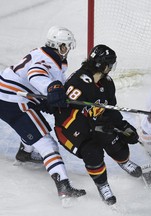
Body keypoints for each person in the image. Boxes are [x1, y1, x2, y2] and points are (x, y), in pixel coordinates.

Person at [0, 26, 86, 201]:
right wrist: (51, 88)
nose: (68, 49)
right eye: (66, 46)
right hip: (15, 102)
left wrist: (47, 98)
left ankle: (26, 152)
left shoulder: (43, 53)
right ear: (59, 45)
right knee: (47, 143)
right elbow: (36, 74)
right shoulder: (49, 60)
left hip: (6, 95)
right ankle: (64, 188)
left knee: (30, 125)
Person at [53, 44, 142, 206]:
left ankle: (123, 162)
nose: (111, 68)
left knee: (118, 142)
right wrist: (95, 126)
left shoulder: (107, 82)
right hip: (69, 130)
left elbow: (109, 109)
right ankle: (102, 185)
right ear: (103, 65)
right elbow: (63, 115)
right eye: (110, 64)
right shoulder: (77, 84)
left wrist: (122, 126)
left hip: (93, 123)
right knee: (93, 152)